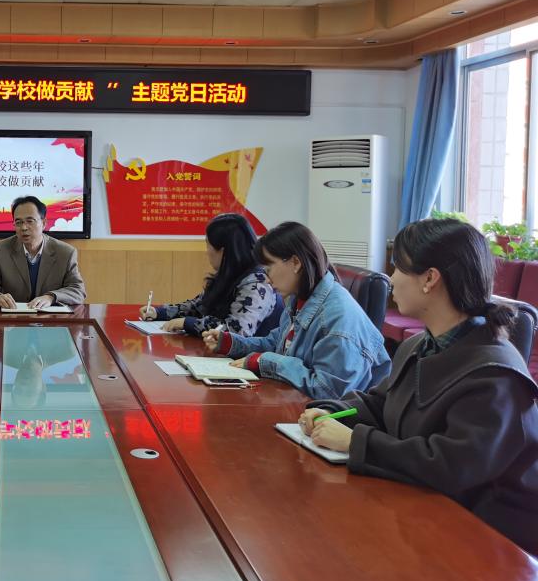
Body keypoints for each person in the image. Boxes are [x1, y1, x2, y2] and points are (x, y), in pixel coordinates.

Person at [298, 218, 538, 556]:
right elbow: (382, 403)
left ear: (429, 279)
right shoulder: (419, 346)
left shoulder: (496, 375)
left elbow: (450, 466)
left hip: (486, 544)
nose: (391, 278)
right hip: (423, 516)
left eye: (398, 267)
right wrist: (333, 411)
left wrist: (354, 441)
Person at [203, 221, 390, 399]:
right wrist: (231, 343)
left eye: (268, 268)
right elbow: (277, 343)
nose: (266, 279)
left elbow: (328, 392)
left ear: (295, 263)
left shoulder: (337, 320)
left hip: (333, 418)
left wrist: (265, 362)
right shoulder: (299, 298)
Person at [140, 213, 281, 337]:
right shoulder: (229, 275)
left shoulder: (257, 284)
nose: (206, 252)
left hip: (251, 358)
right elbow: (197, 307)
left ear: (223, 251)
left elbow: (237, 330)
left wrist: (188, 324)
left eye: (208, 245)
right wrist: (159, 313)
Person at [0, 195, 86, 309]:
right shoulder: (0, 250)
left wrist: (51, 297)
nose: (24, 227)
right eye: (18, 222)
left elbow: (78, 290)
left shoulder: (65, 252)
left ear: (44, 223)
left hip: (50, 318)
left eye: (30, 221)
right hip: (12, 317)